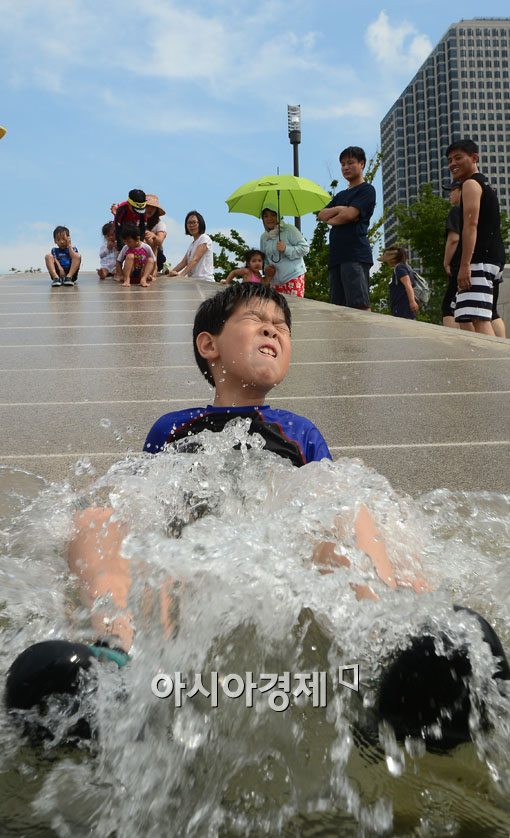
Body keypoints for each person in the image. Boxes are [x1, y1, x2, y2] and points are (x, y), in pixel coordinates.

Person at [5, 284, 509, 752]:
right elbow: (148, 511)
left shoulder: (298, 430)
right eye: (256, 319)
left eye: (283, 327)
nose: (273, 329)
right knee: (100, 513)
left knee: (349, 505)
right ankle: (116, 653)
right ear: (209, 346)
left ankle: (389, 644)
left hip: (280, 551)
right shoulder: (173, 426)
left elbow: (332, 510)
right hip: (194, 550)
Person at [446, 138, 505, 335]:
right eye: (449, 160)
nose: (452, 163)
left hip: (479, 259)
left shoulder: (471, 184)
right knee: (472, 313)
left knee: (479, 317)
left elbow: (471, 225)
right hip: (490, 257)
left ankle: (489, 364)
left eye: (458, 158)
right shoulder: (485, 185)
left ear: (474, 158)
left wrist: (464, 265)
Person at [317, 146, 376, 311]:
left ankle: (363, 337)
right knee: (337, 309)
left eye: (350, 163)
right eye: (342, 164)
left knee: (359, 306)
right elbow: (321, 215)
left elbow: (349, 215)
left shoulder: (367, 190)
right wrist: (340, 210)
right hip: (336, 257)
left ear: (362, 164)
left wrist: (338, 214)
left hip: (355, 254)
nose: (345, 167)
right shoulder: (340, 195)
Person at [259, 204, 309, 297]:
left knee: (294, 308)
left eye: (273, 215)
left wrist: (286, 249)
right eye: (265, 216)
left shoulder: (289, 229)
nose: (269, 218)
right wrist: (266, 268)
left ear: (278, 216)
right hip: (275, 281)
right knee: (277, 310)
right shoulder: (263, 237)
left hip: (293, 276)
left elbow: (305, 248)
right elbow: (264, 259)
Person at [168, 211, 214, 282]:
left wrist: (181, 275)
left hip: (204, 281)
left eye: (194, 222)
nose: (191, 225)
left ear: (200, 223)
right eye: (189, 223)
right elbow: (183, 262)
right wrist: (170, 273)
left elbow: (195, 259)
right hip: (193, 281)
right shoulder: (192, 244)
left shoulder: (204, 238)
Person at [442, 180, 462, 329]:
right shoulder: (477, 210)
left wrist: (446, 262)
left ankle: (454, 347)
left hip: (459, 265)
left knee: (448, 307)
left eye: (452, 190)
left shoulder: (457, 210)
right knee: (490, 312)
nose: (449, 194)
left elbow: (453, 239)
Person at [379, 247, 419, 320]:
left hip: (402, 307)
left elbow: (408, 285)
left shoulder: (399, 268)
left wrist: (412, 302)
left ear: (393, 259)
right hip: (403, 308)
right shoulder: (405, 267)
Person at [115, 222, 155, 288]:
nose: (127, 244)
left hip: (142, 273)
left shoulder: (146, 247)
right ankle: (127, 279)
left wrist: (151, 274)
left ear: (137, 238)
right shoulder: (126, 247)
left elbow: (154, 261)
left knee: (150, 259)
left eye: (129, 242)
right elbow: (119, 261)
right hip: (130, 273)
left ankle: (143, 279)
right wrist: (120, 274)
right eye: (125, 242)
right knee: (130, 256)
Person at [144, 194, 167, 274]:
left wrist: (154, 236)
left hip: (157, 256)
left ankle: (154, 268)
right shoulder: (138, 221)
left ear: (156, 210)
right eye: (147, 206)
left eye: (152, 207)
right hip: (139, 254)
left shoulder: (160, 224)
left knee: (149, 238)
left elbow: (160, 241)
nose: (150, 209)